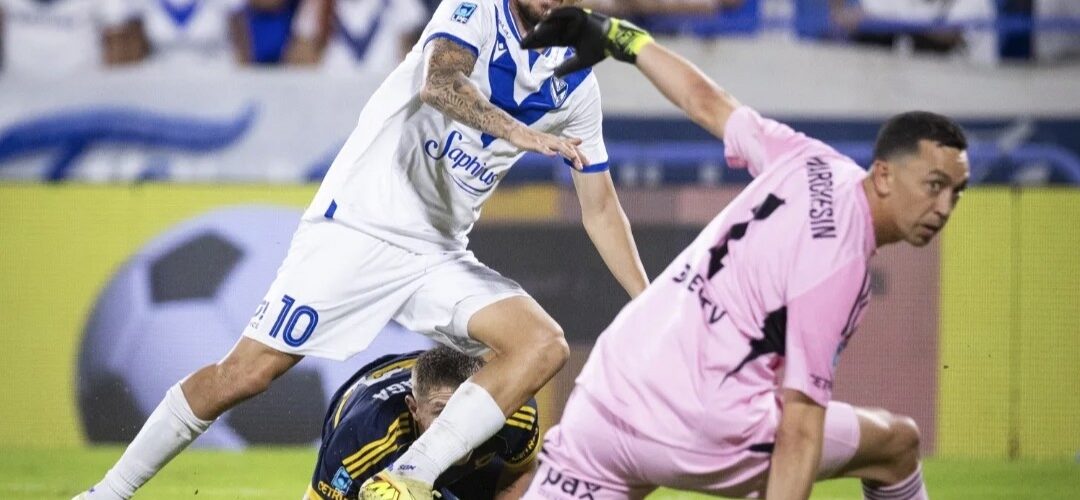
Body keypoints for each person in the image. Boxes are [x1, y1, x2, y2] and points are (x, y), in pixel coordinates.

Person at [75, 0, 648, 498]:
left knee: (542, 344)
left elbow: (600, 208)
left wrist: (651, 303)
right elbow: (440, 84)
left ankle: (406, 479)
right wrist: (517, 132)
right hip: (357, 228)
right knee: (245, 375)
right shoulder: (474, 11)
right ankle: (107, 492)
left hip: (437, 252)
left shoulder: (577, 83)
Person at [519, 8, 968, 499]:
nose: (944, 207)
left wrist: (623, 39)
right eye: (934, 185)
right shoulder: (841, 261)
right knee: (897, 443)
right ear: (883, 175)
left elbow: (707, 102)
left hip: (612, 390)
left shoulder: (810, 160)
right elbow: (800, 430)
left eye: (956, 192)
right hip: (699, 429)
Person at [306, 346, 539, 500]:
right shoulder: (362, 442)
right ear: (414, 408)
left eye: (466, 411)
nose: (456, 425)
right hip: (373, 445)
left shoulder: (510, 409)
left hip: (471, 474)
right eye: (440, 412)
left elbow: (521, 472)